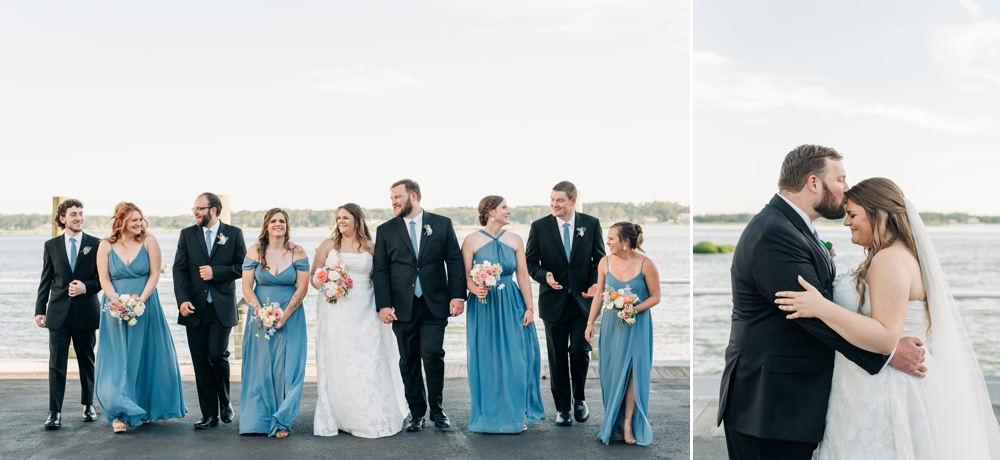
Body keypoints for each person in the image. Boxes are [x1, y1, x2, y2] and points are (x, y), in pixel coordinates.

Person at [717, 145, 928, 460]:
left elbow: (820, 305)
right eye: (840, 179)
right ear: (814, 183)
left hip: (791, 403)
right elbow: (808, 315)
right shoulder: (775, 233)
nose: (846, 190)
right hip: (769, 404)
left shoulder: (797, 228)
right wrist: (888, 352)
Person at [775, 178, 1000, 458]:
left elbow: (885, 338)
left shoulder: (890, 259)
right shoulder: (893, 255)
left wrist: (821, 307)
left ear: (877, 215)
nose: (847, 223)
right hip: (869, 383)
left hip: (885, 391)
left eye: (853, 215)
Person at [373, 179, 466, 432]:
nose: (393, 201)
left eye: (397, 196)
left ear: (413, 196)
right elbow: (380, 271)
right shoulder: (385, 230)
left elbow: (454, 261)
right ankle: (417, 413)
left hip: (435, 304)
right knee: (409, 360)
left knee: (433, 354)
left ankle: (437, 410)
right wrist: (383, 305)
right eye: (391, 197)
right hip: (401, 307)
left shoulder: (442, 224)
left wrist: (458, 296)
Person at [312, 203, 407, 438]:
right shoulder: (328, 246)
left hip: (366, 308)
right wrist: (328, 284)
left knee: (368, 357)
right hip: (338, 310)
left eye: (345, 217)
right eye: (338, 218)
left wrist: (387, 306)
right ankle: (342, 413)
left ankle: (370, 412)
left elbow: (381, 279)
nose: (340, 221)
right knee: (341, 360)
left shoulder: (371, 247)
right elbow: (314, 276)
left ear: (357, 219)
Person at [94, 202, 187, 432]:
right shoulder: (105, 245)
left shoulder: (149, 241)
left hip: (145, 306)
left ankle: (141, 406)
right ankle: (118, 413)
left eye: (140, 219)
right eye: (133, 220)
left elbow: (154, 275)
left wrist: (138, 303)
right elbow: (104, 279)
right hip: (114, 309)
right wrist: (117, 302)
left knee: (145, 356)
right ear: (121, 222)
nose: (139, 224)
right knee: (117, 360)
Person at [462, 196, 546, 434]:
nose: (509, 211)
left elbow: (522, 276)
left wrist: (530, 307)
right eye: (504, 207)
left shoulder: (515, 239)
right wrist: (473, 288)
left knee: (519, 358)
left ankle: (519, 412)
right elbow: (465, 276)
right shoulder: (471, 241)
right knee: (487, 359)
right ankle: (489, 414)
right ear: (491, 211)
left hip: (512, 302)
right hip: (484, 304)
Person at [525, 181, 604, 426]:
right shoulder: (539, 227)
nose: (554, 204)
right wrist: (544, 276)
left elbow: (599, 260)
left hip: (582, 302)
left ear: (572, 201)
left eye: (559, 200)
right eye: (552, 200)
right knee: (557, 357)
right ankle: (562, 409)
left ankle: (579, 399)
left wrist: (594, 283)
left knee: (580, 351)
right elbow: (531, 263)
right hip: (553, 302)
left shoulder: (591, 224)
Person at [173, 192, 247, 429]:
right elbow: (179, 270)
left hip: (222, 307)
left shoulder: (233, 234)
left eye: (199, 208)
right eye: (193, 209)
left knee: (216, 355)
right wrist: (182, 300)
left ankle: (225, 401)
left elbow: (242, 267)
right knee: (200, 361)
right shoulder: (187, 235)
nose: (195, 212)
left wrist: (217, 272)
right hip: (193, 308)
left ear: (213, 210)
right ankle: (209, 414)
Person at [585, 222, 660, 445]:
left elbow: (655, 296)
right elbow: (599, 295)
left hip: (637, 325)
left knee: (634, 375)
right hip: (611, 326)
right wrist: (590, 323)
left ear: (625, 242)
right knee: (611, 374)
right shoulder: (604, 262)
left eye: (611, 238)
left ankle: (628, 422)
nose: (607, 242)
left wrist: (633, 309)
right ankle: (613, 419)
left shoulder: (646, 264)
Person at [239, 208, 309, 438]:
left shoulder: (297, 252)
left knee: (288, 368)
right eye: (274, 221)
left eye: (282, 221)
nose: (278, 224)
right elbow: (247, 287)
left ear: (287, 226)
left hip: (291, 316)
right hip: (259, 316)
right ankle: (258, 419)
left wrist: (284, 316)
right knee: (260, 367)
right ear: (266, 225)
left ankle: (282, 420)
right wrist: (261, 314)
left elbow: (302, 288)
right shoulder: (255, 250)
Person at [35, 199, 101, 429]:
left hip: (86, 312)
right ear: (62, 219)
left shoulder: (96, 244)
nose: (79, 218)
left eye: (81, 213)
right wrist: (39, 311)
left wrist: (86, 287)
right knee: (56, 364)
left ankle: (88, 405)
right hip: (58, 313)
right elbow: (46, 280)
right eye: (73, 214)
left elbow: (103, 280)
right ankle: (55, 412)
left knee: (87, 361)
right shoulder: (51, 245)